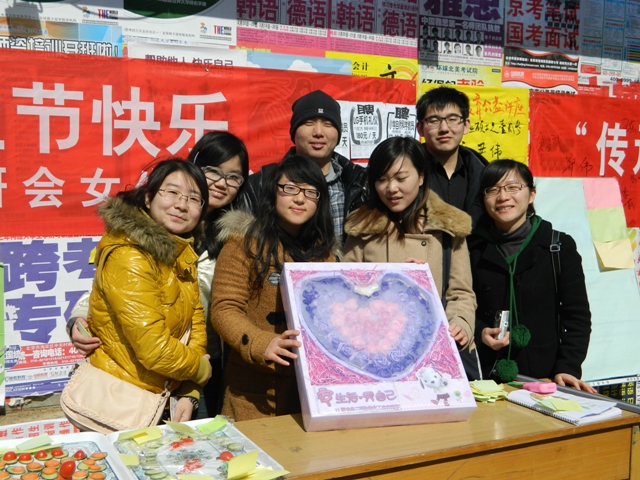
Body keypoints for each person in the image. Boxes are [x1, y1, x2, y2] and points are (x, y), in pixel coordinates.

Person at [68, 132, 251, 418]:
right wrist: (78, 317)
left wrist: (195, 376)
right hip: (143, 368)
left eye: (233, 177)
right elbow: (114, 285)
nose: (221, 183)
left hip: (206, 362)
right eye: (213, 171)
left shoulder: (241, 238)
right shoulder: (144, 230)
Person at [82, 159, 213, 424]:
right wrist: (200, 369)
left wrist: (189, 389)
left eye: (193, 198)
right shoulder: (129, 255)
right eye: (172, 192)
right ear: (148, 197)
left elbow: (195, 324)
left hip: (164, 395)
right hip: (123, 401)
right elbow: (154, 348)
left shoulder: (181, 251)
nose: (182, 205)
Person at [211, 155, 338, 421]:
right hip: (253, 392)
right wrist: (261, 342)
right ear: (273, 192)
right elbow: (224, 309)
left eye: (310, 192)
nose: (300, 198)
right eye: (290, 188)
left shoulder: (326, 255)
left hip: (313, 393)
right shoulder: (242, 243)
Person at [468, 160, 595, 392]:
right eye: (492, 190)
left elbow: (577, 316)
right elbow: (460, 304)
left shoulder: (557, 247)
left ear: (531, 195)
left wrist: (568, 367)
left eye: (513, 187)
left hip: (544, 377)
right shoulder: (471, 248)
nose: (502, 197)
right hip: (484, 378)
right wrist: (479, 331)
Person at [343, 137, 476, 355]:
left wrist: (461, 324)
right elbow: (347, 291)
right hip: (376, 348)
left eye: (401, 178)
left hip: (433, 346)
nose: (391, 188)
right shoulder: (362, 227)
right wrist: (391, 283)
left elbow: (461, 293)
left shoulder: (448, 227)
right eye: (381, 180)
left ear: (421, 176)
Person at [239, 90, 367, 242]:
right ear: (294, 132)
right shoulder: (260, 183)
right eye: (308, 123)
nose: (318, 132)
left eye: (328, 124)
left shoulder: (361, 182)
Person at [416, 86, 489, 227]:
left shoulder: (484, 175)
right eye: (434, 120)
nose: (444, 128)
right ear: (420, 128)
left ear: (466, 125)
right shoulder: (406, 170)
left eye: (452, 119)